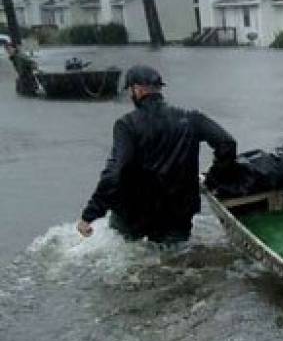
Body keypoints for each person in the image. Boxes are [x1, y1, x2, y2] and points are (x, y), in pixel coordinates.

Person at [78, 65, 237, 244]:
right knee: (175, 258)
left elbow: (116, 171)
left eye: (130, 90)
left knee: (130, 256)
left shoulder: (127, 125)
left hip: (135, 215)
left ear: (137, 89)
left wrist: (89, 214)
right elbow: (227, 144)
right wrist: (213, 178)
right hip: (178, 214)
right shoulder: (191, 119)